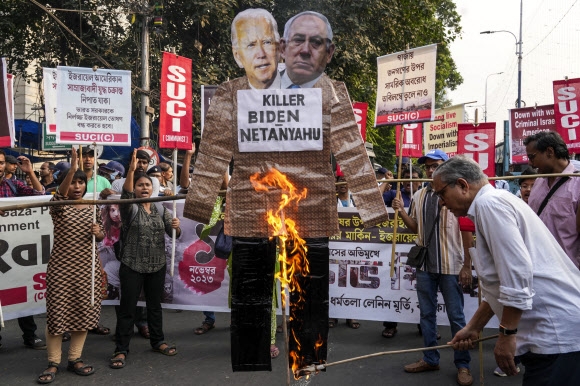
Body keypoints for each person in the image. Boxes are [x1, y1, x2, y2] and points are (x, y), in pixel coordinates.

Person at [184, 9, 387, 372]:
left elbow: (353, 153)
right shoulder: (235, 92)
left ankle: (307, 361)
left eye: (317, 42)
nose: (306, 50)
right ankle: (251, 362)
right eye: (298, 40)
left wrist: (372, 209)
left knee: (310, 293)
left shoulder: (332, 93)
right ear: (283, 45)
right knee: (249, 296)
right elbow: (213, 149)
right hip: (251, 209)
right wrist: (198, 205)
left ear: (330, 51)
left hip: (310, 209)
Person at [436, 156, 580, 385]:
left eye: (441, 194)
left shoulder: (489, 205)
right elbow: (500, 283)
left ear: (463, 185)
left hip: (554, 332)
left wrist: (507, 334)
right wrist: (473, 328)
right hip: (552, 330)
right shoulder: (493, 202)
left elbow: (517, 274)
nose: (442, 203)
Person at [392, 149, 473, 386]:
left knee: (457, 317)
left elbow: (467, 231)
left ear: (446, 167)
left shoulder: (458, 192)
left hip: (451, 265)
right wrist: (400, 210)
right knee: (427, 315)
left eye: (435, 165)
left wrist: (467, 265)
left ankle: (463, 365)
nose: (430, 170)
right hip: (426, 266)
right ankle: (430, 358)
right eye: (427, 166)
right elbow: (414, 228)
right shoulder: (419, 194)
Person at [110, 149, 181, 369]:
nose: (144, 188)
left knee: (154, 307)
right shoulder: (129, 208)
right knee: (127, 309)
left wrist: (176, 228)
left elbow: (174, 234)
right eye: (140, 185)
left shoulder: (160, 208)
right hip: (132, 265)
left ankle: (157, 341)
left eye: (147, 185)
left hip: (157, 265)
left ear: (154, 188)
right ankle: (121, 349)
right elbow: (126, 194)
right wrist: (132, 170)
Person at [37, 148, 103, 383]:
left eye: (80, 183)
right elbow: (60, 197)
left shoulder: (94, 206)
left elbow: (102, 234)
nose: (77, 187)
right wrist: (73, 167)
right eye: (73, 182)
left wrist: (99, 232)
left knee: (83, 313)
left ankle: (75, 358)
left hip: (87, 270)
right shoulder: (59, 204)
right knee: (56, 316)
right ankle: (53, 362)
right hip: (61, 270)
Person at [0, 149, 46, 350]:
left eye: (1, 163)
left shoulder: (12, 184)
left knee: (20, 289)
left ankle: (30, 335)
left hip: (14, 250)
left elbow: (39, 195)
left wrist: (29, 172)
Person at [524, 131, 580, 268]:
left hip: (567, 271)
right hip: (536, 267)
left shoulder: (577, 183)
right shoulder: (538, 182)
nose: (531, 164)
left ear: (549, 152)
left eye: (532, 157)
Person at [330, 172, 360, 329]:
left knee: (352, 280)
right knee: (334, 280)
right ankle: (333, 315)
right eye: (340, 180)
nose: (343, 183)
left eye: (346, 180)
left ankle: (351, 315)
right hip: (335, 247)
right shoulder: (330, 199)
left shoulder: (356, 199)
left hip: (354, 247)